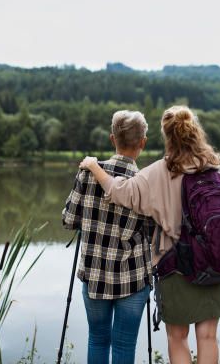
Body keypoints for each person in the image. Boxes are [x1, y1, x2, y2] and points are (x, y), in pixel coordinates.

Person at [79, 106, 220, 364]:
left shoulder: (160, 171)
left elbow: (120, 193)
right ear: (196, 131)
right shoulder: (217, 169)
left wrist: (93, 166)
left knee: (178, 337)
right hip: (218, 265)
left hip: (177, 268)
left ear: (167, 136)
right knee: (208, 337)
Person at [62, 110, 156, 364]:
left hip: (94, 275)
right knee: (125, 344)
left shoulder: (88, 173)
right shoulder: (146, 181)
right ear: (143, 142)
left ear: (112, 139)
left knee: (98, 339)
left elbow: (69, 220)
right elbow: (154, 231)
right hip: (134, 278)